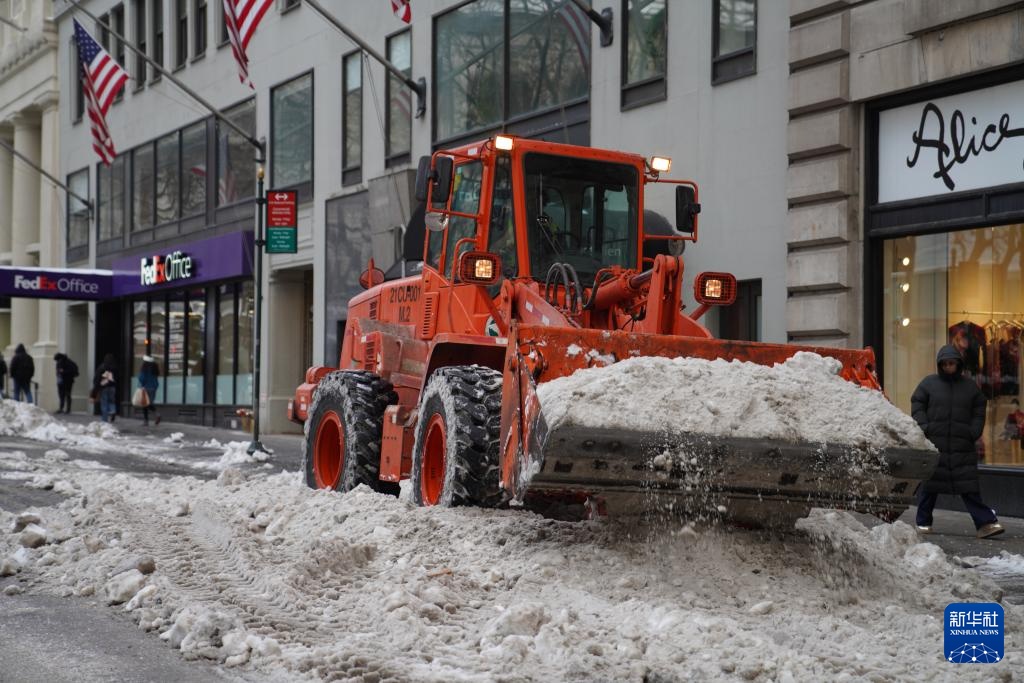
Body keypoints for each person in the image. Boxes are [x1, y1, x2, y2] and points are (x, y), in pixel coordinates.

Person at [911, 344, 1005, 538]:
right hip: (935, 444)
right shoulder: (929, 384)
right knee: (930, 486)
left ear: (958, 364)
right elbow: (917, 402)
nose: (948, 367)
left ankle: (986, 523)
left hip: (962, 446)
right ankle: (923, 522)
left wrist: (973, 431)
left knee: (969, 487)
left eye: (951, 363)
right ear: (940, 365)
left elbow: (980, 406)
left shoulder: (969, 387)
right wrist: (925, 427)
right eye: (944, 364)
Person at [93, 353, 118, 423]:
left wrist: (95, 389)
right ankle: (113, 411)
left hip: (103, 387)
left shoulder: (102, 367)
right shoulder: (114, 367)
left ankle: (104, 419)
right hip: (112, 387)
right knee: (112, 401)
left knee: (104, 403)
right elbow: (117, 377)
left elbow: (97, 379)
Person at [137, 355, 161, 426]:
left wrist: (142, 384)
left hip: (146, 388)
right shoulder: (154, 368)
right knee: (149, 403)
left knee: (145, 404)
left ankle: (146, 421)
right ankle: (157, 414)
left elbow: (141, 378)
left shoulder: (145, 369)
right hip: (153, 388)